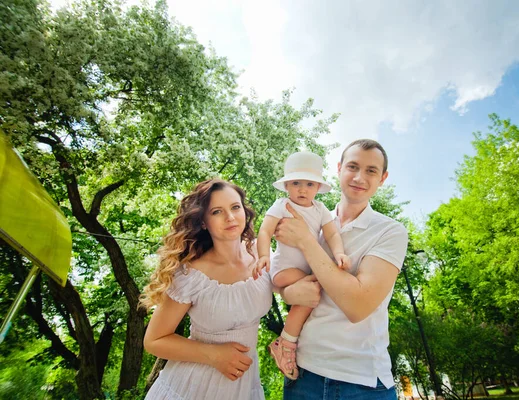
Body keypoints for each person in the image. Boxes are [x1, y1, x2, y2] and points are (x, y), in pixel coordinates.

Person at [140, 178, 321, 400]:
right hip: (191, 387)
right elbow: (154, 340)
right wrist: (213, 355)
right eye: (217, 212)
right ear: (204, 222)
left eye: (235, 207)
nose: (230, 217)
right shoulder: (192, 274)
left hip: (243, 386)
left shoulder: (259, 252)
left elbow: (282, 286)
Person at [275, 139, 409, 399]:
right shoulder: (311, 218)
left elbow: (357, 305)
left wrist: (305, 240)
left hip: (361, 382)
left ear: (383, 178)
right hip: (302, 375)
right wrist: (287, 293)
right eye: (353, 166)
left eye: (371, 170)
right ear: (338, 169)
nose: (359, 177)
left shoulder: (390, 231)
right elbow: (285, 274)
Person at [251, 151, 350, 381]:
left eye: (309, 184)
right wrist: (263, 255)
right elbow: (265, 231)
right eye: (296, 183)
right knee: (318, 285)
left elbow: (332, 234)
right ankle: (286, 341)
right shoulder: (282, 205)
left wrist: (339, 253)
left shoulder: (320, 210)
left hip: (302, 272)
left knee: (311, 296)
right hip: (284, 269)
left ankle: (287, 341)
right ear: (287, 186)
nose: (302, 189)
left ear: (318, 187)